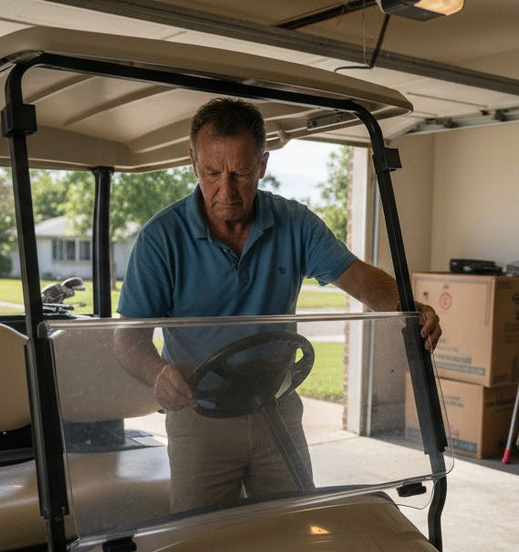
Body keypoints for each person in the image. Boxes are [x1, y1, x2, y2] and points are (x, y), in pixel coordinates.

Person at [115, 97, 441, 511]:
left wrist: (410, 308)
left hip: (276, 408)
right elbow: (128, 339)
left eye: (242, 173)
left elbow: (358, 278)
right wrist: (158, 372)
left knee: (294, 529)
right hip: (201, 417)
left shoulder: (295, 223)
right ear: (193, 163)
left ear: (263, 164)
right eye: (212, 173)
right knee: (203, 543)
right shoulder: (161, 238)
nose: (226, 190)